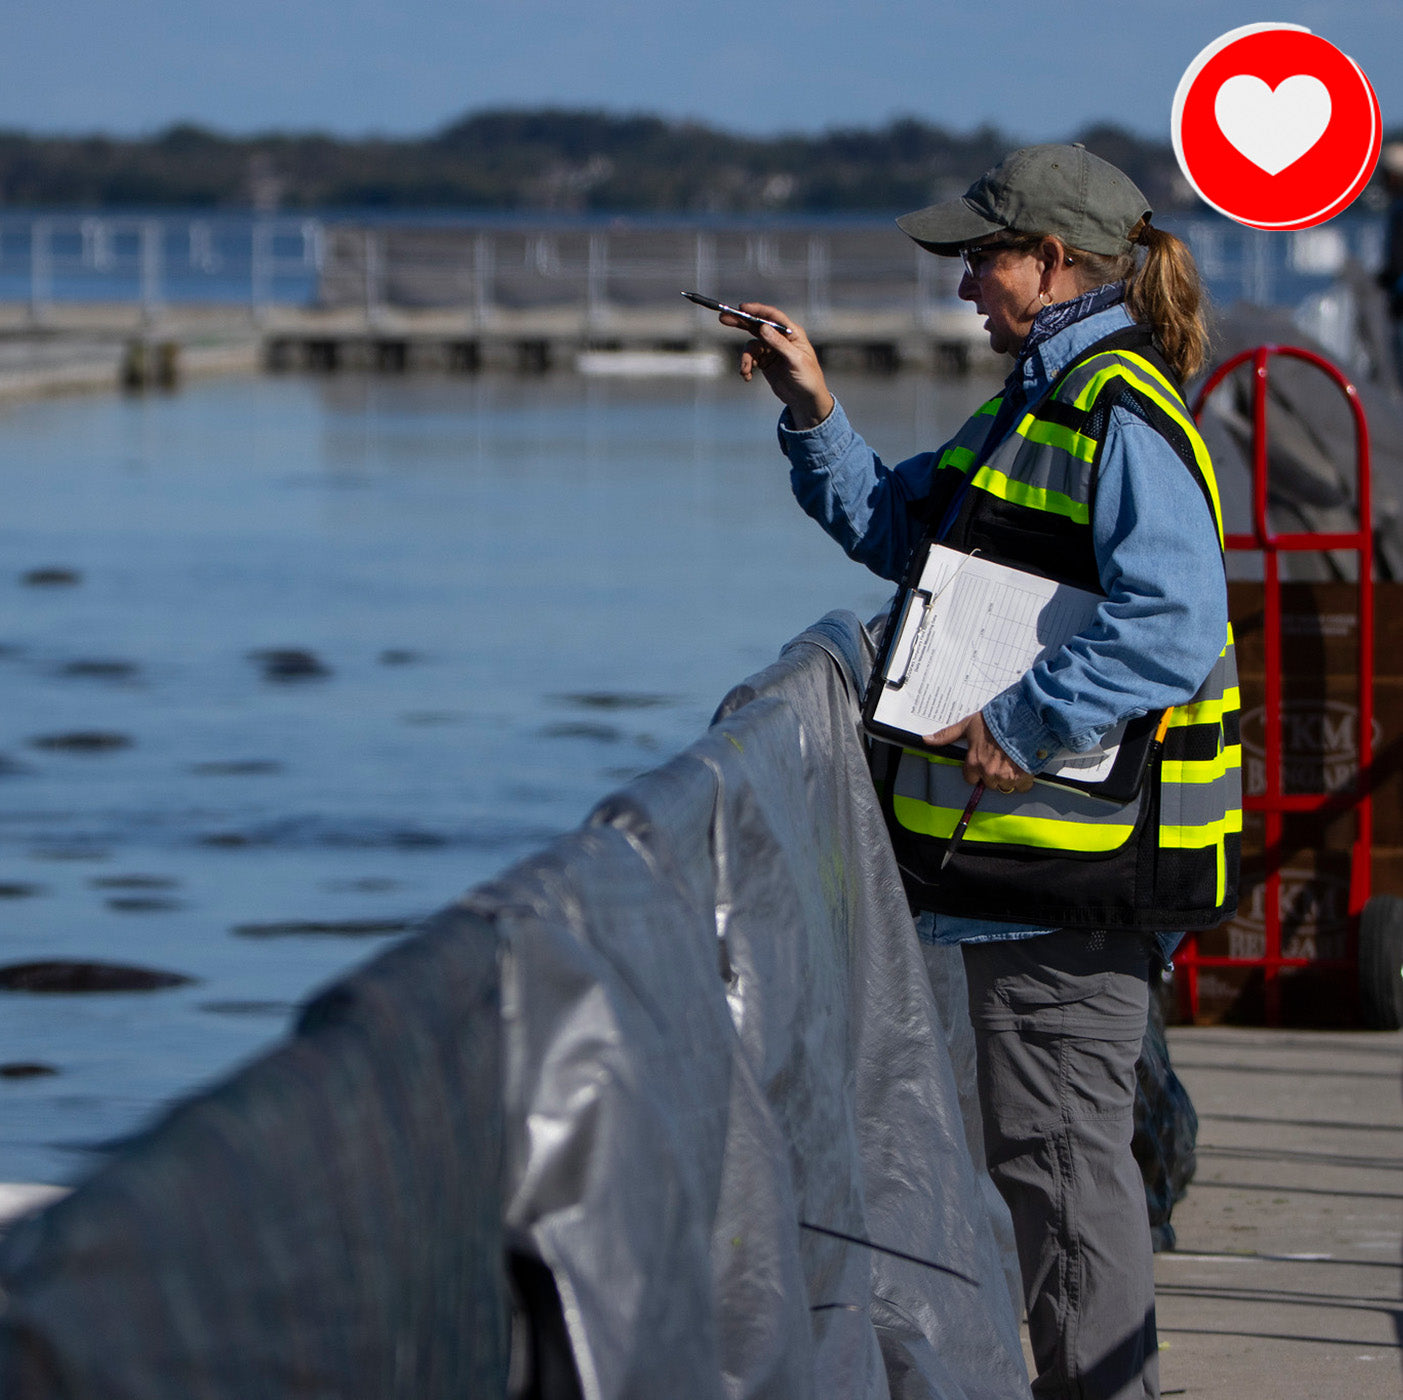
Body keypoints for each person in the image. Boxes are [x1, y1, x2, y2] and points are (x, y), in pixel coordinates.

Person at [720, 144, 1241, 1400]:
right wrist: (810, 406)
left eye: (979, 259)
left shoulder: (1113, 411)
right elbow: (902, 529)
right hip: (1033, 877)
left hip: (1073, 881)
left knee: (1062, 1178)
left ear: (1051, 263)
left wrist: (1016, 726)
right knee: (1049, 1169)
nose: (963, 287)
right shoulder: (1040, 402)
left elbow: (1172, 624)